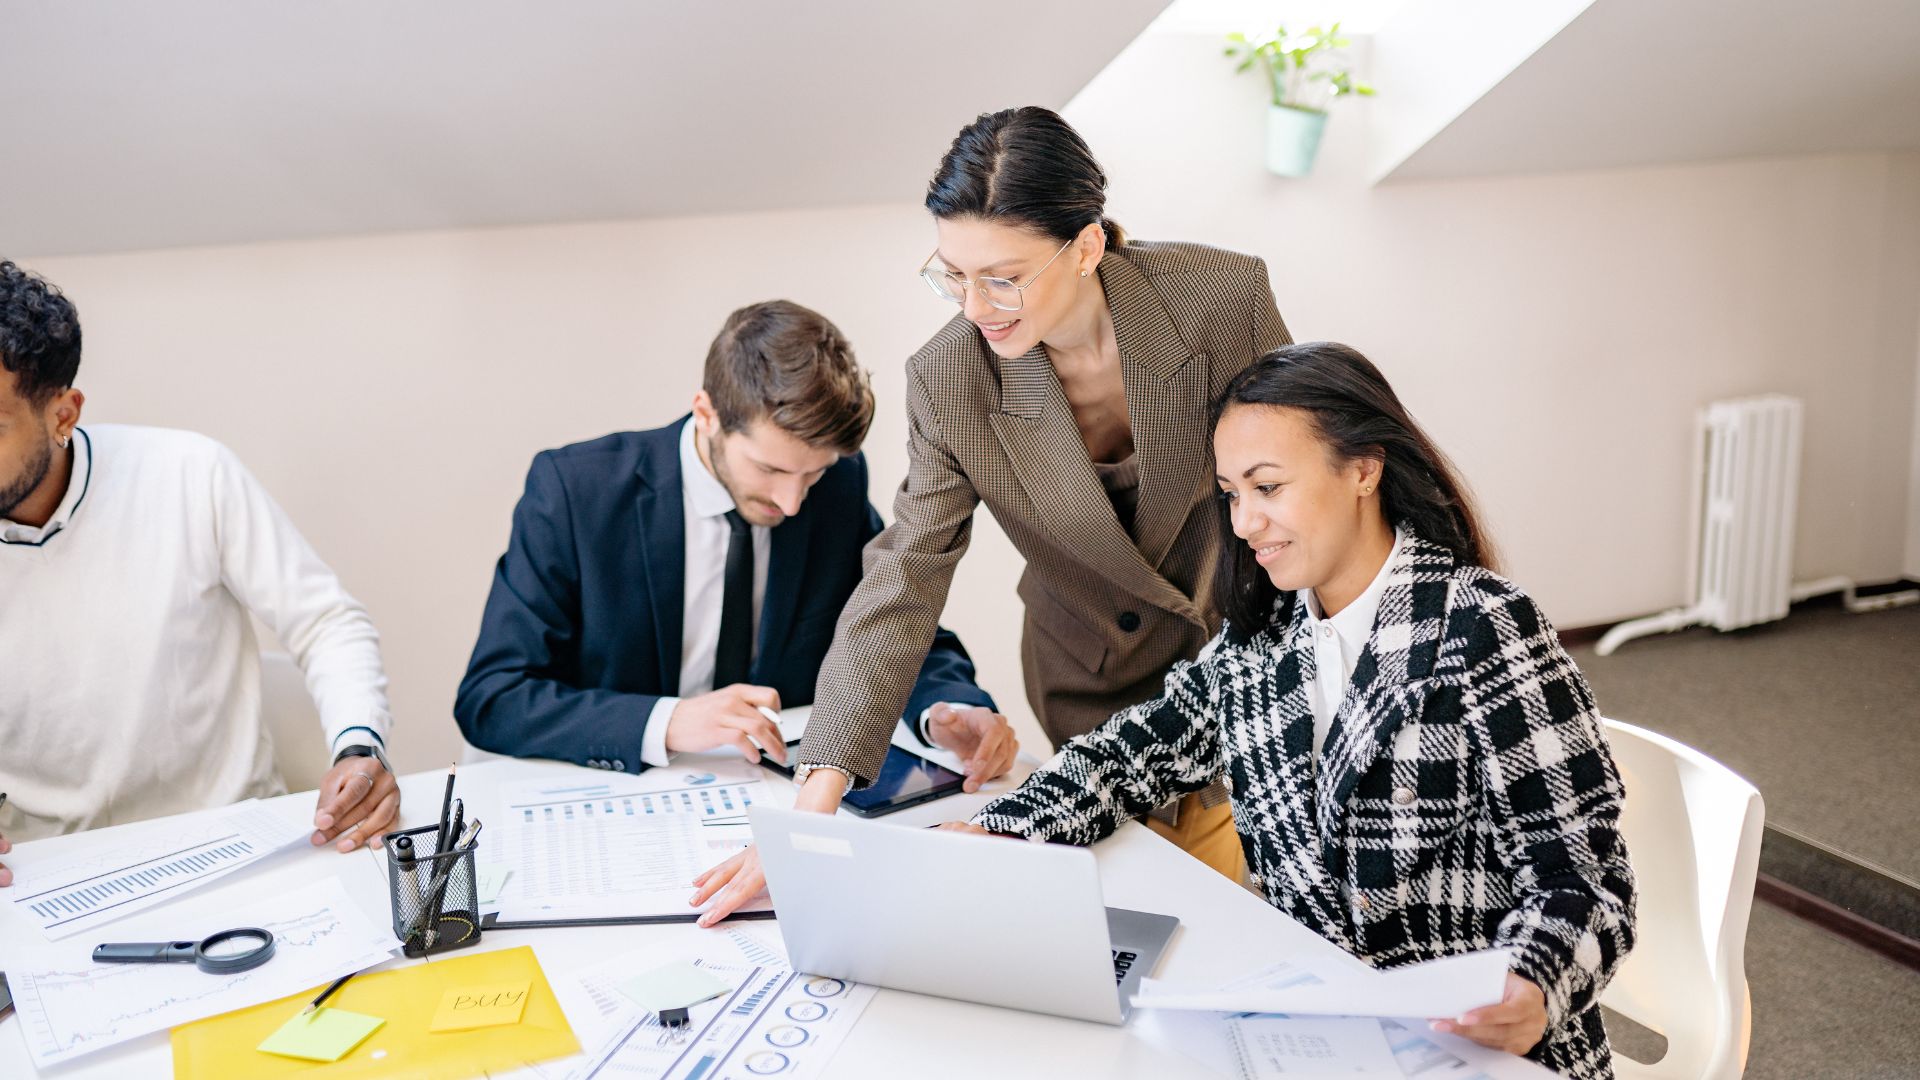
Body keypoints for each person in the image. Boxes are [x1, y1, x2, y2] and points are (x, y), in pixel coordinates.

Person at [946, 343, 1637, 1077]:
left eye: (1268, 486)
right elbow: (1129, 756)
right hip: (1315, 1038)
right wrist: (1002, 831)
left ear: (1364, 469)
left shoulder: (1483, 627)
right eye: (1231, 493)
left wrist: (1532, 982)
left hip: (1475, 1049)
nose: (1244, 522)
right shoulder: (1263, 637)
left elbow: (1585, 879)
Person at [693, 105, 1292, 922]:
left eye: (1002, 276)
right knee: (1128, 925)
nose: (975, 306)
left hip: (1244, 646)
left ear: (1087, 247)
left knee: (1255, 912)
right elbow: (902, 583)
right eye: (952, 274)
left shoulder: (1221, 299)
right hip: (1090, 677)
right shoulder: (949, 379)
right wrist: (806, 821)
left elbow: (1297, 479)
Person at [454, 300, 1009, 782]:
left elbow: (897, 630)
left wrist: (950, 708)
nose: (792, 503)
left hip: (764, 797)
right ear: (708, 413)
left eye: (811, 475)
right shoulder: (577, 492)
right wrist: (668, 720)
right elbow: (493, 697)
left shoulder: (836, 487)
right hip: (613, 793)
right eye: (769, 469)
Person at [0, 260, 400, 885]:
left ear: (63, 413)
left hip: (233, 849)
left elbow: (326, 622)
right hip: (45, 872)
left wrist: (359, 745)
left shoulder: (189, 473)